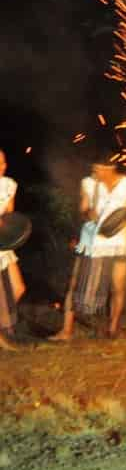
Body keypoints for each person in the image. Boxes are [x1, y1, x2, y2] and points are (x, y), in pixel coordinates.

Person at [50, 159, 126, 341]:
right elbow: (83, 210)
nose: (94, 172)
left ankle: (112, 328)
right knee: (75, 284)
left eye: (97, 168)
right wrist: (88, 214)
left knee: (118, 286)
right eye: (93, 168)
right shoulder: (89, 183)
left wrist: (121, 221)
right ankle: (67, 331)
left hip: (118, 243)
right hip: (92, 242)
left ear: (109, 168)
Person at [0, 149, 27, 351]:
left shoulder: (8, 185)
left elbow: (9, 217)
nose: (1, 167)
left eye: (3, 162)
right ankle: (3, 340)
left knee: (18, 289)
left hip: (3, 246)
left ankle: (3, 330)